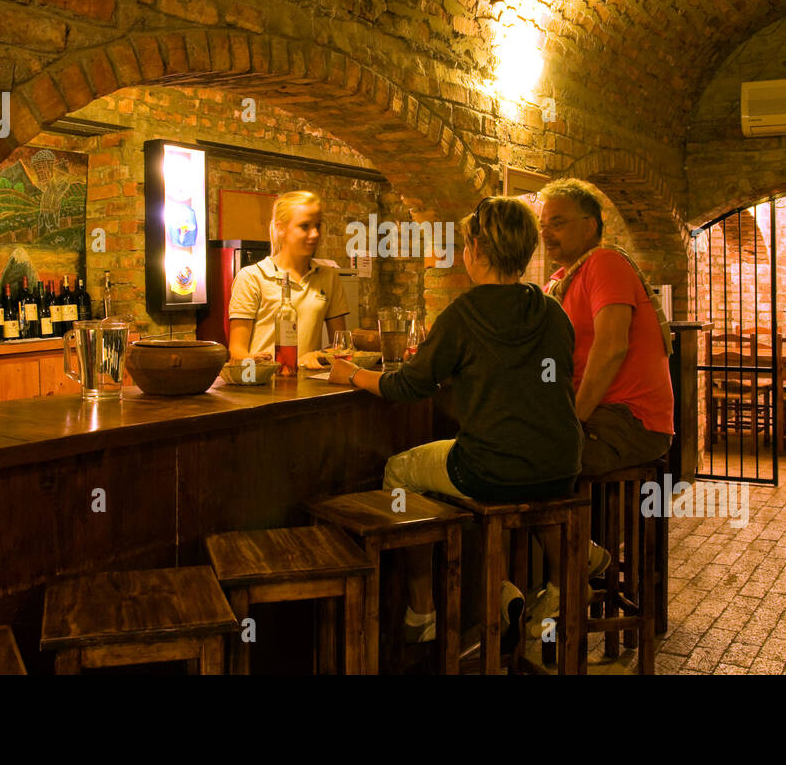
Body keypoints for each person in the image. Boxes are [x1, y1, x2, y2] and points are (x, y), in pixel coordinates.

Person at [329, 196, 582, 647]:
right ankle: (497, 591)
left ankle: (424, 609)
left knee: (399, 471)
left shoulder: (463, 315)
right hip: (562, 468)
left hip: (490, 471)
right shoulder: (553, 311)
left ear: (476, 251)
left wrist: (351, 373)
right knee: (502, 475)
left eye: (465, 243)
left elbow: (407, 386)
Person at [525, 177, 675, 635]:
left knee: (533, 462)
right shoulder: (559, 281)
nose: (547, 233)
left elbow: (611, 348)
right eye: (543, 224)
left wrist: (571, 420)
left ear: (591, 226)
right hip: (603, 416)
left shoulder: (604, 264)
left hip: (631, 418)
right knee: (518, 453)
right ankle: (573, 566)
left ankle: (566, 577)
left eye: (559, 223)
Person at [228, 191, 350, 369]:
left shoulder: (328, 277)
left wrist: (318, 355)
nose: (315, 234)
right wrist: (254, 364)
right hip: (261, 389)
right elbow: (236, 353)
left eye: (318, 225)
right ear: (280, 228)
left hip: (308, 387)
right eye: (304, 226)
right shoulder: (252, 277)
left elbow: (341, 347)